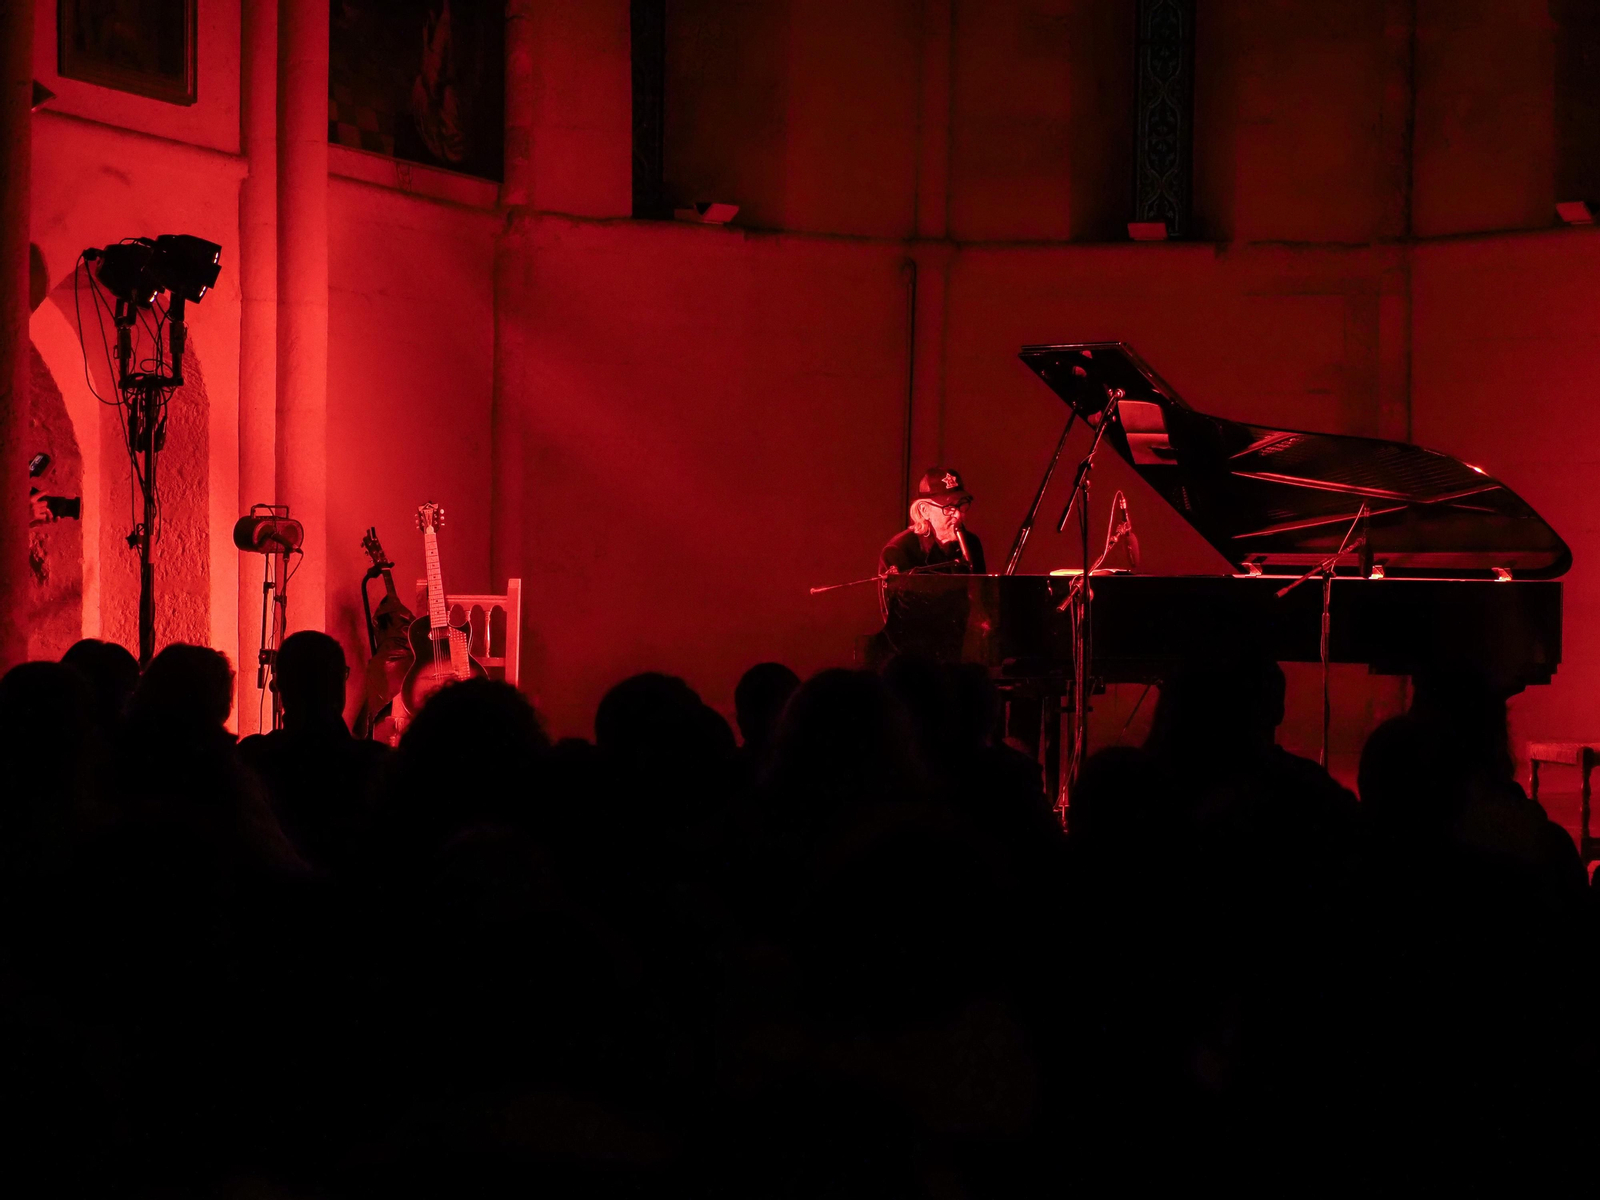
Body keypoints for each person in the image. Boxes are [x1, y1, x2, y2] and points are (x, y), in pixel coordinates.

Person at [878, 466, 986, 575]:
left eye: (961, 504)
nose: (958, 515)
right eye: (949, 507)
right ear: (924, 510)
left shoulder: (971, 543)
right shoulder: (899, 551)